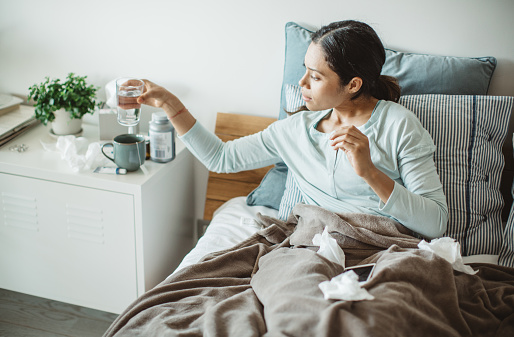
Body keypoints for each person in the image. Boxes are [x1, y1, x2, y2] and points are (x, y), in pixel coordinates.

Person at [137, 20, 448, 239]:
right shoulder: (295, 130)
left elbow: (435, 224)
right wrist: (169, 103)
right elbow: (222, 158)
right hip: (315, 246)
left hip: (380, 249)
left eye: (315, 76)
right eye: (305, 71)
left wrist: (369, 172)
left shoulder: (399, 125)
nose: (301, 84)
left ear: (353, 84)